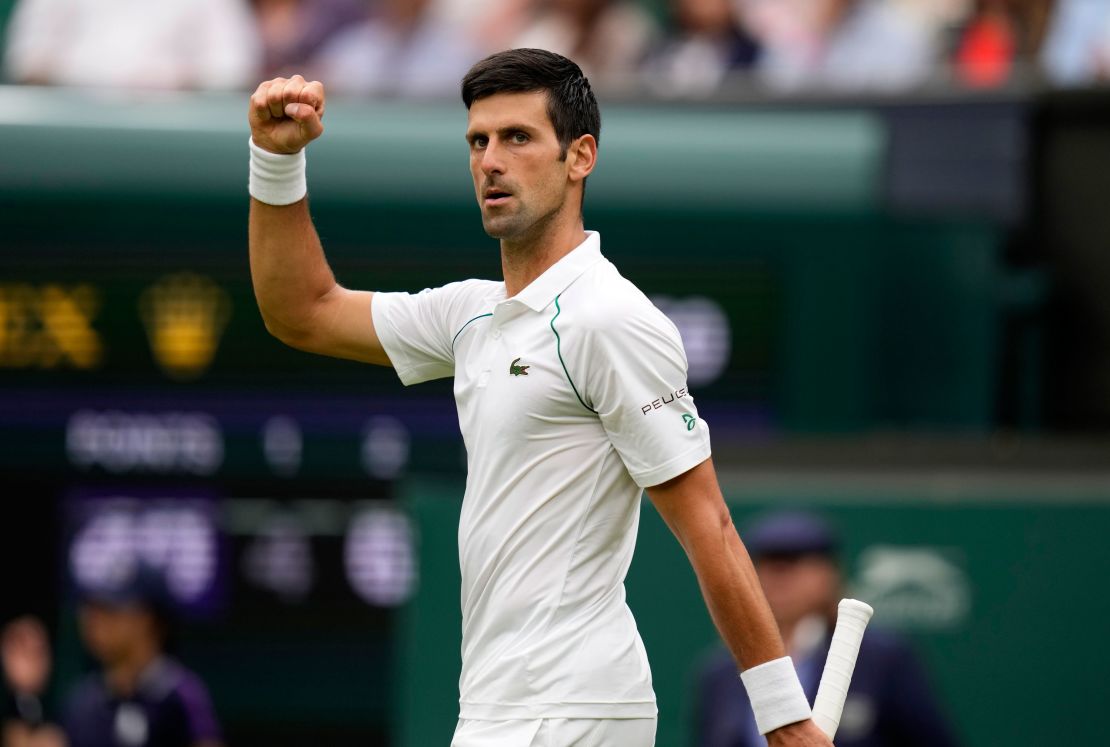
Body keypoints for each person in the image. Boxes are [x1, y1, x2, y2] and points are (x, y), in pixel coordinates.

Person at [246, 48, 833, 745]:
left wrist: (785, 718)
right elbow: (302, 310)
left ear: (579, 156)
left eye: (517, 138)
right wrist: (275, 161)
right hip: (505, 704)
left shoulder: (609, 318)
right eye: (478, 141)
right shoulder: (470, 314)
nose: (490, 160)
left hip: (570, 704)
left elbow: (709, 523)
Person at [696, 511, 960, 747]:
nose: (780, 579)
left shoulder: (883, 660)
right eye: (768, 565)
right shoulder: (720, 673)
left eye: (794, 564)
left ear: (829, 574)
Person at [61, 563, 223, 747]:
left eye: (111, 609)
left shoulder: (179, 698)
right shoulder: (83, 702)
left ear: (148, 619)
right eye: (93, 609)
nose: (95, 620)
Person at [3, 0, 259, 89]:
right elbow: (27, 60)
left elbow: (232, 67)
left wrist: (172, 81)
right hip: (65, 134)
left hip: (173, 133)